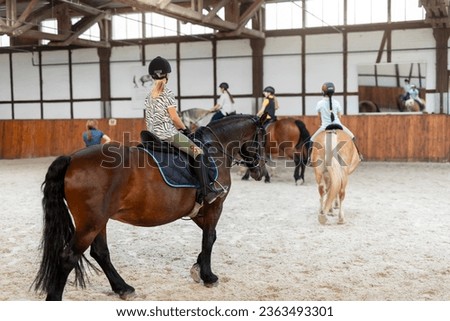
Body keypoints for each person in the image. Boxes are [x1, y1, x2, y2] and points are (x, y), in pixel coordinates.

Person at [144, 56, 227, 204]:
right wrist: (185, 130)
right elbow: (175, 118)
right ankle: (207, 192)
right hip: (167, 134)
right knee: (198, 152)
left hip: (150, 134)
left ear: (151, 76)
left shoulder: (149, 95)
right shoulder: (167, 93)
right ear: (167, 76)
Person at [310, 82, 363, 161]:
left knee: (311, 140)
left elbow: (319, 116)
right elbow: (339, 116)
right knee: (352, 136)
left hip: (325, 127)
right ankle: (359, 155)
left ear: (323, 92)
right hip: (338, 125)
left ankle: (309, 158)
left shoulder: (319, 103)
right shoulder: (337, 103)